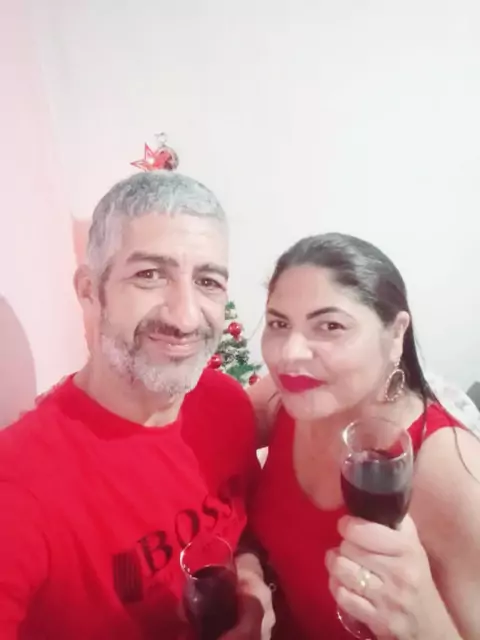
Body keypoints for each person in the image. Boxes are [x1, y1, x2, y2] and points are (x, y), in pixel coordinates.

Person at [0, 171, 274, 639]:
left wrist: (249, 580)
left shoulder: (224, 402)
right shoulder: (19, 483)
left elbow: (239, 526)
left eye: (208, 281)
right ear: (90, 291)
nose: (185, 317)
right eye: (150, 275)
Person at [248, 233, 480, 639]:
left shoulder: (450, 471)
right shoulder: (287, 395)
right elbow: (204, 442)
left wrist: (423, 620)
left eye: (330, 326)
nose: (289, 354)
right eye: (279, 324)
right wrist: (246, 565)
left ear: (396, 334)